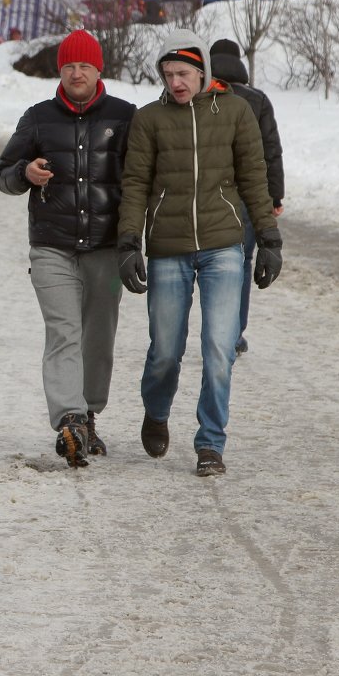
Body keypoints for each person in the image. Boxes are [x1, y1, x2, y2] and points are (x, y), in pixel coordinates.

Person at [117, 30, 283, 478]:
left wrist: (268, 237)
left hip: (223, 244)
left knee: (219, 347)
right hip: (168, 247)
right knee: (166, 350)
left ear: (203, 71)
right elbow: (134, 184)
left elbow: (254, 176)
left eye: (184, 73)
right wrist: (130, 240)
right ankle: (156, 410)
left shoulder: (235, 112)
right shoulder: (150, 119)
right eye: (168, 74)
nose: (176, 83)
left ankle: (211, 442)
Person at [0, 29, 136, 467]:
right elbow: (4, 173)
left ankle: (89, 411)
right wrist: (25, 173)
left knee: (98, 336)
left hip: (105, 248)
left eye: (85, 66)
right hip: (52, 246)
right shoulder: (37, 117)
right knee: (63, 332)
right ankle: (69, 417)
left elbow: (140, 181)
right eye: (70, 66)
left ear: (99, 70)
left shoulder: (125, 116)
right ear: (60, 70)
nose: (77, 73)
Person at [209, 38, 285, 356]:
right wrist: (275, 196)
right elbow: (271, 151)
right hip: (247, 197)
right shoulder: (258, 99)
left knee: (206, 263)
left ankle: (212, 329)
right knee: (240, 263)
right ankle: (232, 334)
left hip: (207, 194)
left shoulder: (200, 95)